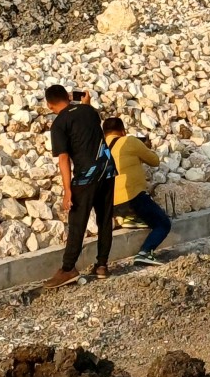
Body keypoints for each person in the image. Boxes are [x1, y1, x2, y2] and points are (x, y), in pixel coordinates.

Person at [44, 85, 116, 287]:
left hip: (86, 177)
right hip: (108, 170)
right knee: (104, 219)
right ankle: (102, 265)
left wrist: (67, 190)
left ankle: (68, 269)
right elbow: (88, 119)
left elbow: (64, 158)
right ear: (68, 97)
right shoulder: (90, 111)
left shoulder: (59, 124)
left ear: (50, 105)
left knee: (78, 223)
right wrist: (86, 103)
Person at [103, 117, 172, 266]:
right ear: (122, 131)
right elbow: (154, 161)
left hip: (109, 204)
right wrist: (144, 147)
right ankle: (145, 252)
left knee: (143, 215)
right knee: (163, 224)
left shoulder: (100, 147)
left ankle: (129, 219)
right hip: (132, 197)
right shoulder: (129, 141)